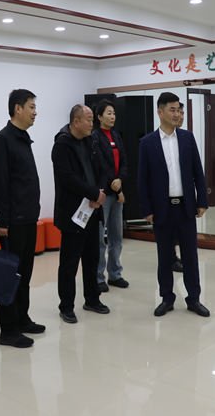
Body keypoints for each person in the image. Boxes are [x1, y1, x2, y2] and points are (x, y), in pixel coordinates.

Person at [138, 92, 209, 317]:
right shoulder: (147, 143)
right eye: (173, 110)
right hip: (162, 208)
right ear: (160, 112)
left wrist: (202, 201)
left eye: (179, 110)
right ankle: (167, 298)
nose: (177, 114)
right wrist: (147, 210)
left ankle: (194, 299)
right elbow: (142, 179)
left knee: (190, 256)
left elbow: (198, 172)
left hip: (185, 207)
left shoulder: (187, 138)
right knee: (165, 257)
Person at [0, 89, 45, 348]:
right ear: (17, 108)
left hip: (28, 218)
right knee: (9, 276)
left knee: (24, 274)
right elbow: (0, 184)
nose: (35, 112)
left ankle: (22, 318)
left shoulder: (23, 138)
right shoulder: (3, 140)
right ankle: (8, 330)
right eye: (31, 107)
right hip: (12, 222)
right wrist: (1, 221)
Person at [52, 104, 109, 324]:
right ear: (76, 122)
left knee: (92, 258)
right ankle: (66, 306)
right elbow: (67, 178)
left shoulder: (91, 140)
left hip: (92, 210)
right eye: (88, 119)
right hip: (73, 213)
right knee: (69, 263)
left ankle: (92, 299)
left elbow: (102, 169)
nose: (92, 123)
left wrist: (99, 193)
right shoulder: (62, 145)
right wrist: (93, 193)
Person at [91, 99, 129, 293]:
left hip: (117, 193)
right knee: (100, 239)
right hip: (103, 194)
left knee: (117, 237)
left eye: (113, 113)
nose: (112, 116)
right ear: (99, 117)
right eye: (108, 113)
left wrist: (120, 179)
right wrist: (114, 186)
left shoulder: (116, 135)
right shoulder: (94, 137)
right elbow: (100, 166)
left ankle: (115, 274)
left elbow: (123, 161)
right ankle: (98, 277)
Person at [171, 101, 185, 273]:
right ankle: (172, 258)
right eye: (176, 112)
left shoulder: (185, 138)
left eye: (181, 113)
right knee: (170, 231)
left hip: (183, 196)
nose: (180, 116)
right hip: (168, 196)